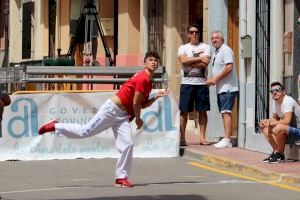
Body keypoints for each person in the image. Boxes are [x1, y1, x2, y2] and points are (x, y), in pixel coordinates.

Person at [38, 51, 170, 187]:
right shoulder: (143, 78)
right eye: (150, 60)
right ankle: (56, 126)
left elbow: (142, 103)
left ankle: (121, 178)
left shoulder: (148, 82)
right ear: (145, 63)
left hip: (122, 116)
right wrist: (138, 119)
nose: (153, 62)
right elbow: (136, 103)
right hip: (111, 110)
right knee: (85, 131)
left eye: (156, 60)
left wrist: (156, 96)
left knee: (128, 144)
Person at [177, 24, 211, 146]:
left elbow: (206, 62)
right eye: (192, 32)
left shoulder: (206, 47)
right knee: (184, 111)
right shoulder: (183, 47)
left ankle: (202, 138)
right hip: (187, 83)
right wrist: (199, 58)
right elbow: (183, 61)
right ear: (188, 35)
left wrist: (189, 61)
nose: (194, 34)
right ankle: (182, 138)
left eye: (196, 32)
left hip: (202, 83)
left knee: (202, 111)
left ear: (199, 34)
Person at [206, 30, 239, 149]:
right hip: (221, 88)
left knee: (226, 112)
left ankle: (227, 139)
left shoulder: (225, 50)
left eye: (216, 38)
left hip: (228, 87)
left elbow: (229, 67)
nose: (214, 40)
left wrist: (215, 78)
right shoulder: (217, 51)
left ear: (222, 39)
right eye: (212, 38)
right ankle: (227, 139)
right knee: (223, 113)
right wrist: (212, 79)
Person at [259, 82, 300, 163]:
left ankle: (280, 155)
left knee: (278, 127)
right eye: (272, 91)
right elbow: (274, 119)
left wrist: (271, 123)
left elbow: (287, 121)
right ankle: (276, 152)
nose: (274, 93)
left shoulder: (287, 101)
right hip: (289, 131)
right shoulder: (276, 102)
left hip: (298, 130)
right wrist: (266, 121)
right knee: (265, 127)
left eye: (277, 90)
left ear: (283, 92)